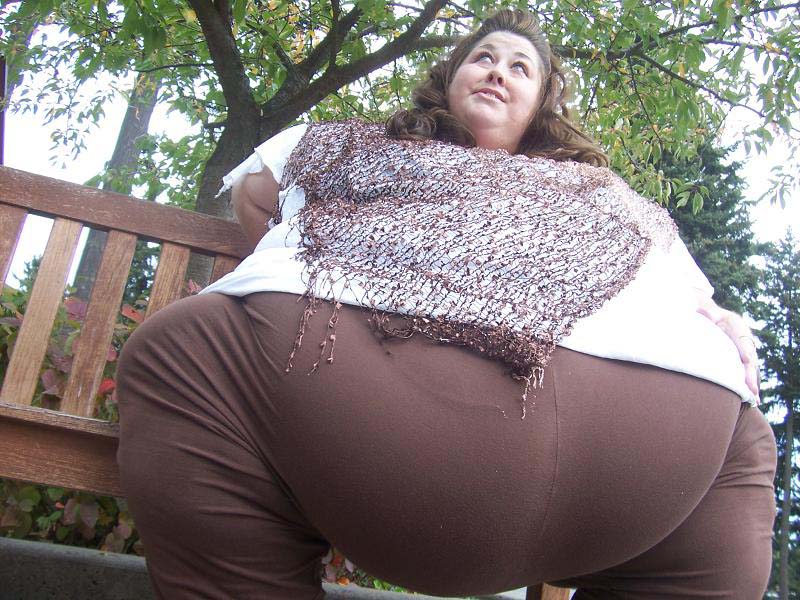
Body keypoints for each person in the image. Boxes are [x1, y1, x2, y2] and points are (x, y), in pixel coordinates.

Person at [116, 9, 777, 599]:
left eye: (520, 67)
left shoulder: (601, 189)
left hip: (638, 442)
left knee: (183, 354)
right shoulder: (361, 144)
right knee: (741, 445)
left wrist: (720, 318)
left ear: (541, 103)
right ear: (450, 78)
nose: (498, 71)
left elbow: (686, 289)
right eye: (483, 57)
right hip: (647, 442)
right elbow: (257, 190)